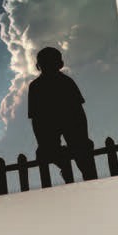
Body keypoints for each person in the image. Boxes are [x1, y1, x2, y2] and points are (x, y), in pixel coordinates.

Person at [26, 45, 97, 180]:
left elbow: (37, 120)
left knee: (54, 152)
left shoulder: (37, 87)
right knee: (81, 156)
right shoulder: (65, 82)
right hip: (66, 126)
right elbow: (79, 114)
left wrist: (43, 144)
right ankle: (71, 169)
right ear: (60, 64)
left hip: (64, 126)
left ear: (37, 66)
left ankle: (67, 167)